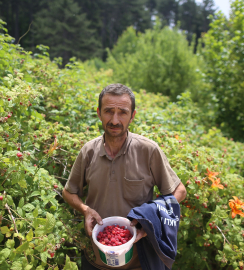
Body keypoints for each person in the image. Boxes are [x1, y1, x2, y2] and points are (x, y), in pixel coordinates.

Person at [63, 83, 186, 270]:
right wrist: (85, 209)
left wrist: (151, 220)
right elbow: (68, 192)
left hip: (140, 261)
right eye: (108, 111)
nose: (114, 119)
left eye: (122, 112)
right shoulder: (88, 152)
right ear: (98, 113)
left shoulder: (148, 151)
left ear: (132, 116)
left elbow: (179, 191)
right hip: (95, 258)